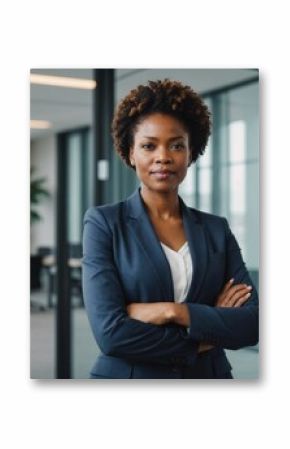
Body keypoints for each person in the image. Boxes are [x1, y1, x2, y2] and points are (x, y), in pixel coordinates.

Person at [82, 79, 259, 379]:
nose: (163, 156)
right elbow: (111, 334)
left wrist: (174, 312)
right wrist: (208, 328)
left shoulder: (216, 230)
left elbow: (253, 324)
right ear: (130, 153)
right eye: (149, 146)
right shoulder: (104, 224)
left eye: (176, 145)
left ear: (191, 153)